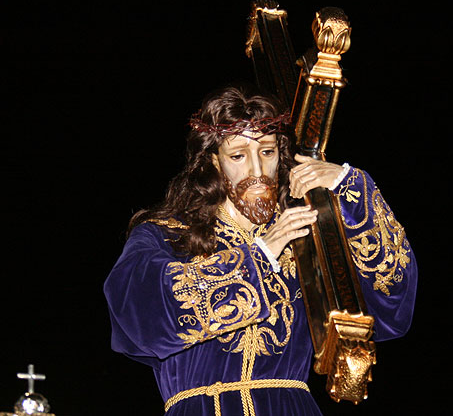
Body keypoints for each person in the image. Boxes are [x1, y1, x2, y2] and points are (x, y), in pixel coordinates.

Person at [104, 85, 417, 416]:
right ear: (214, 162)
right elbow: (139, 314)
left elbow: (391, 301)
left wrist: (349, 186)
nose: (256, 171)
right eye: (238, 156)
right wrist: (261, 255)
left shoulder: (306, 236)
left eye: (267, 152)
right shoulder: (166, 235)